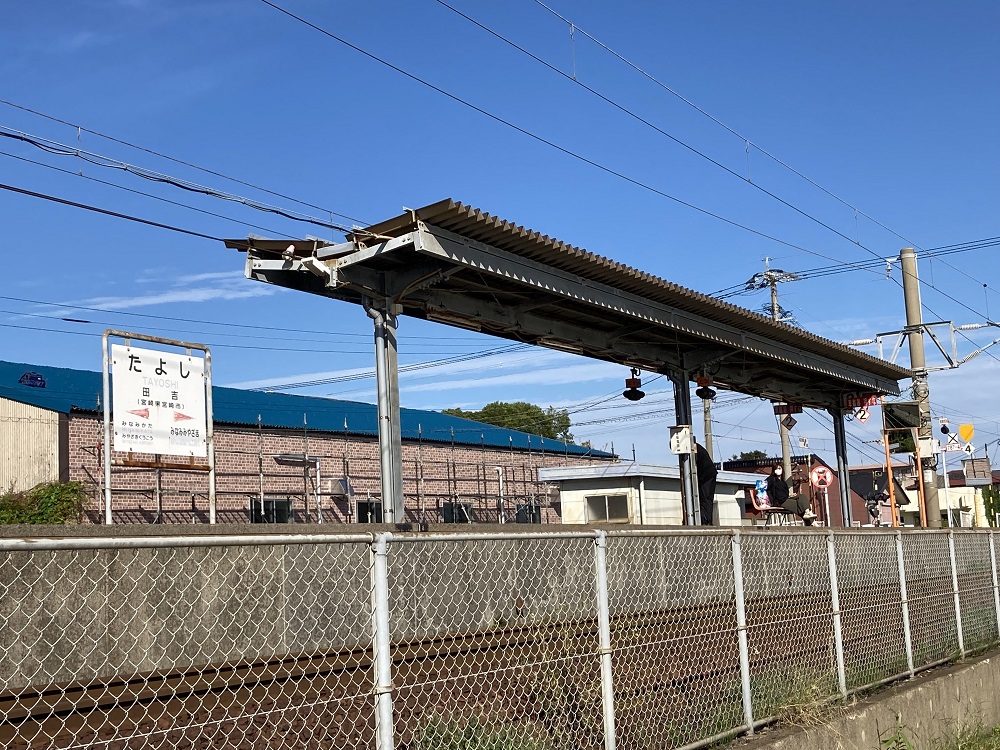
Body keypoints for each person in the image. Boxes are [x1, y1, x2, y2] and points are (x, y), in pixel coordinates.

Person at [695, 441, 718, 525]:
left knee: (704, 498)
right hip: (710, 474)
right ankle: (707, 519)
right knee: (708, 499)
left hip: (705, 476)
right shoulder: (698, 448)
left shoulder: (693, 449)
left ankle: (705, 519)